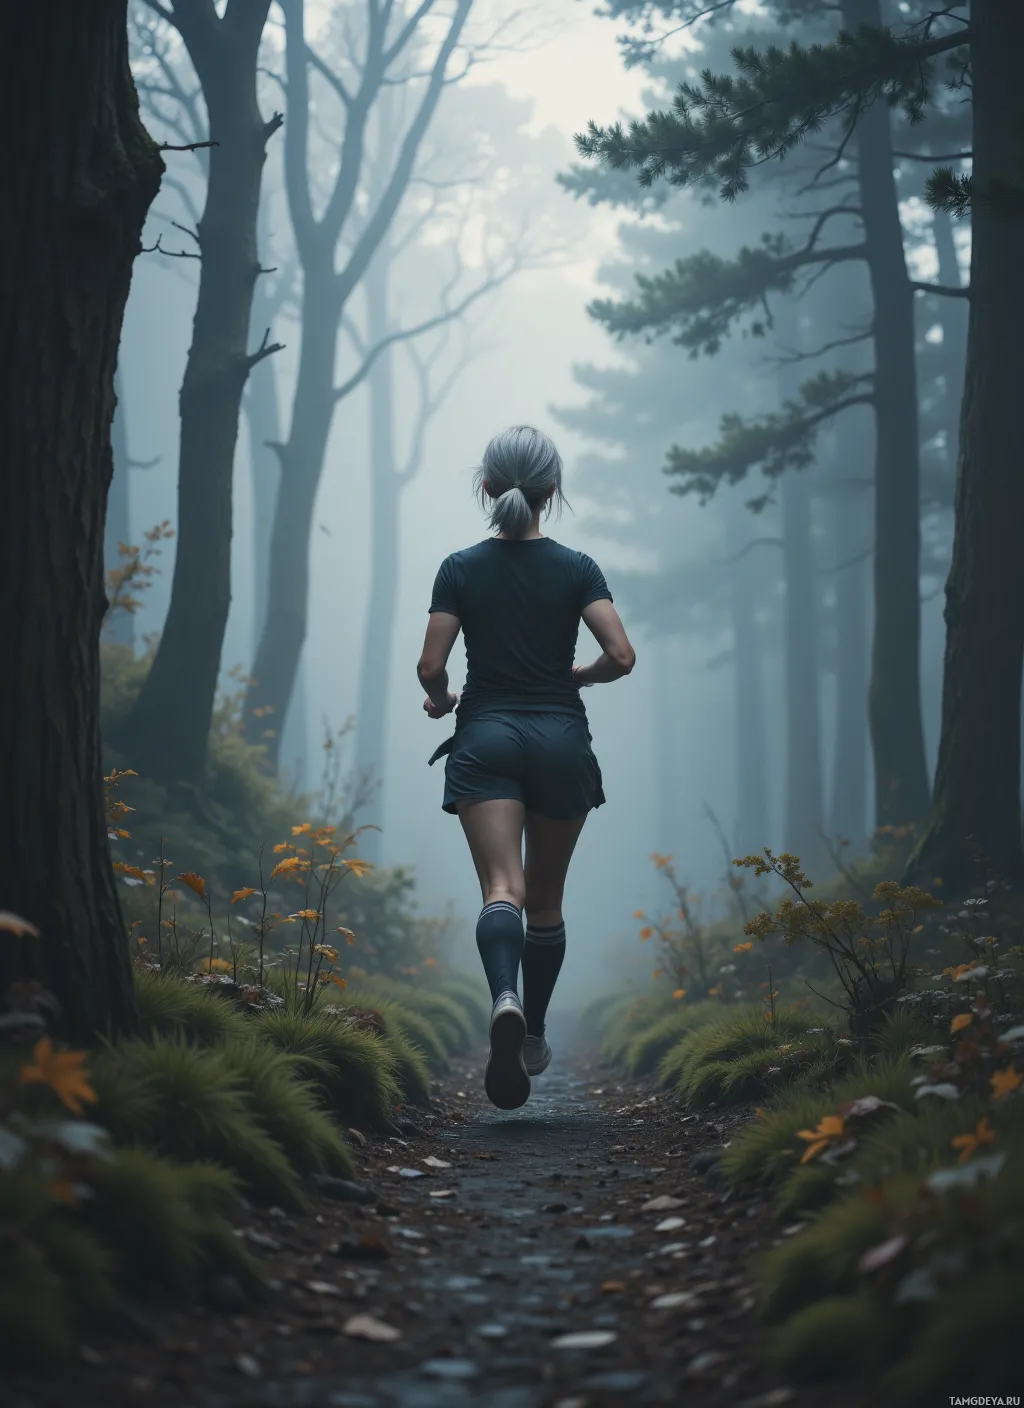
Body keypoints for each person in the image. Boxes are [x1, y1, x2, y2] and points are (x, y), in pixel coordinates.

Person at [416, 425, 636, 1110]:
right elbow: (622, 656)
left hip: (486, 736)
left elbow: (431, 664)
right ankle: (533, 1030)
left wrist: (440, 698)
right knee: (545, 903)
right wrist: (582, 676)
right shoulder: (578, 569)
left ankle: (502, 996)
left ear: (487, 488)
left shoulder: (459, 567)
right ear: (554, 491)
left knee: (502, 890)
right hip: (560, 741)